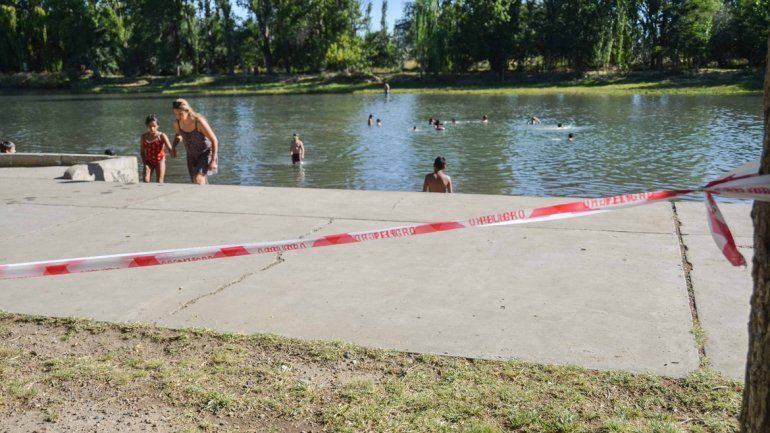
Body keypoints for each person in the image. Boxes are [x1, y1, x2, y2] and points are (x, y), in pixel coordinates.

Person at [172, 98, 219, 185]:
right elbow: (178, 135)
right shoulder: (177, 123)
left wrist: (213, 160)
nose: (178, 117)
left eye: (180, 114)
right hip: (191, 156)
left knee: (198, 179)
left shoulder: (198, 122)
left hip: (205, 153)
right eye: (176, 114)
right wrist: (174, 147)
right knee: (197, 181)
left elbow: (214, 140)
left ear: (187, 111)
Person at [140, 114, 172, 183]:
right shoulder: (144, 137)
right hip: (148, 161)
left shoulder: (161, 136)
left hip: (160, 160)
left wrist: (172, 152)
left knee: (159, 181)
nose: (152, 128)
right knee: (145, 180)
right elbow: (142, 152)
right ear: (146, 126)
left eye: (154, 126)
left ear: (158, 126)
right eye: (149, 126)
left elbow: (170, 148)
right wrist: (145, 164)